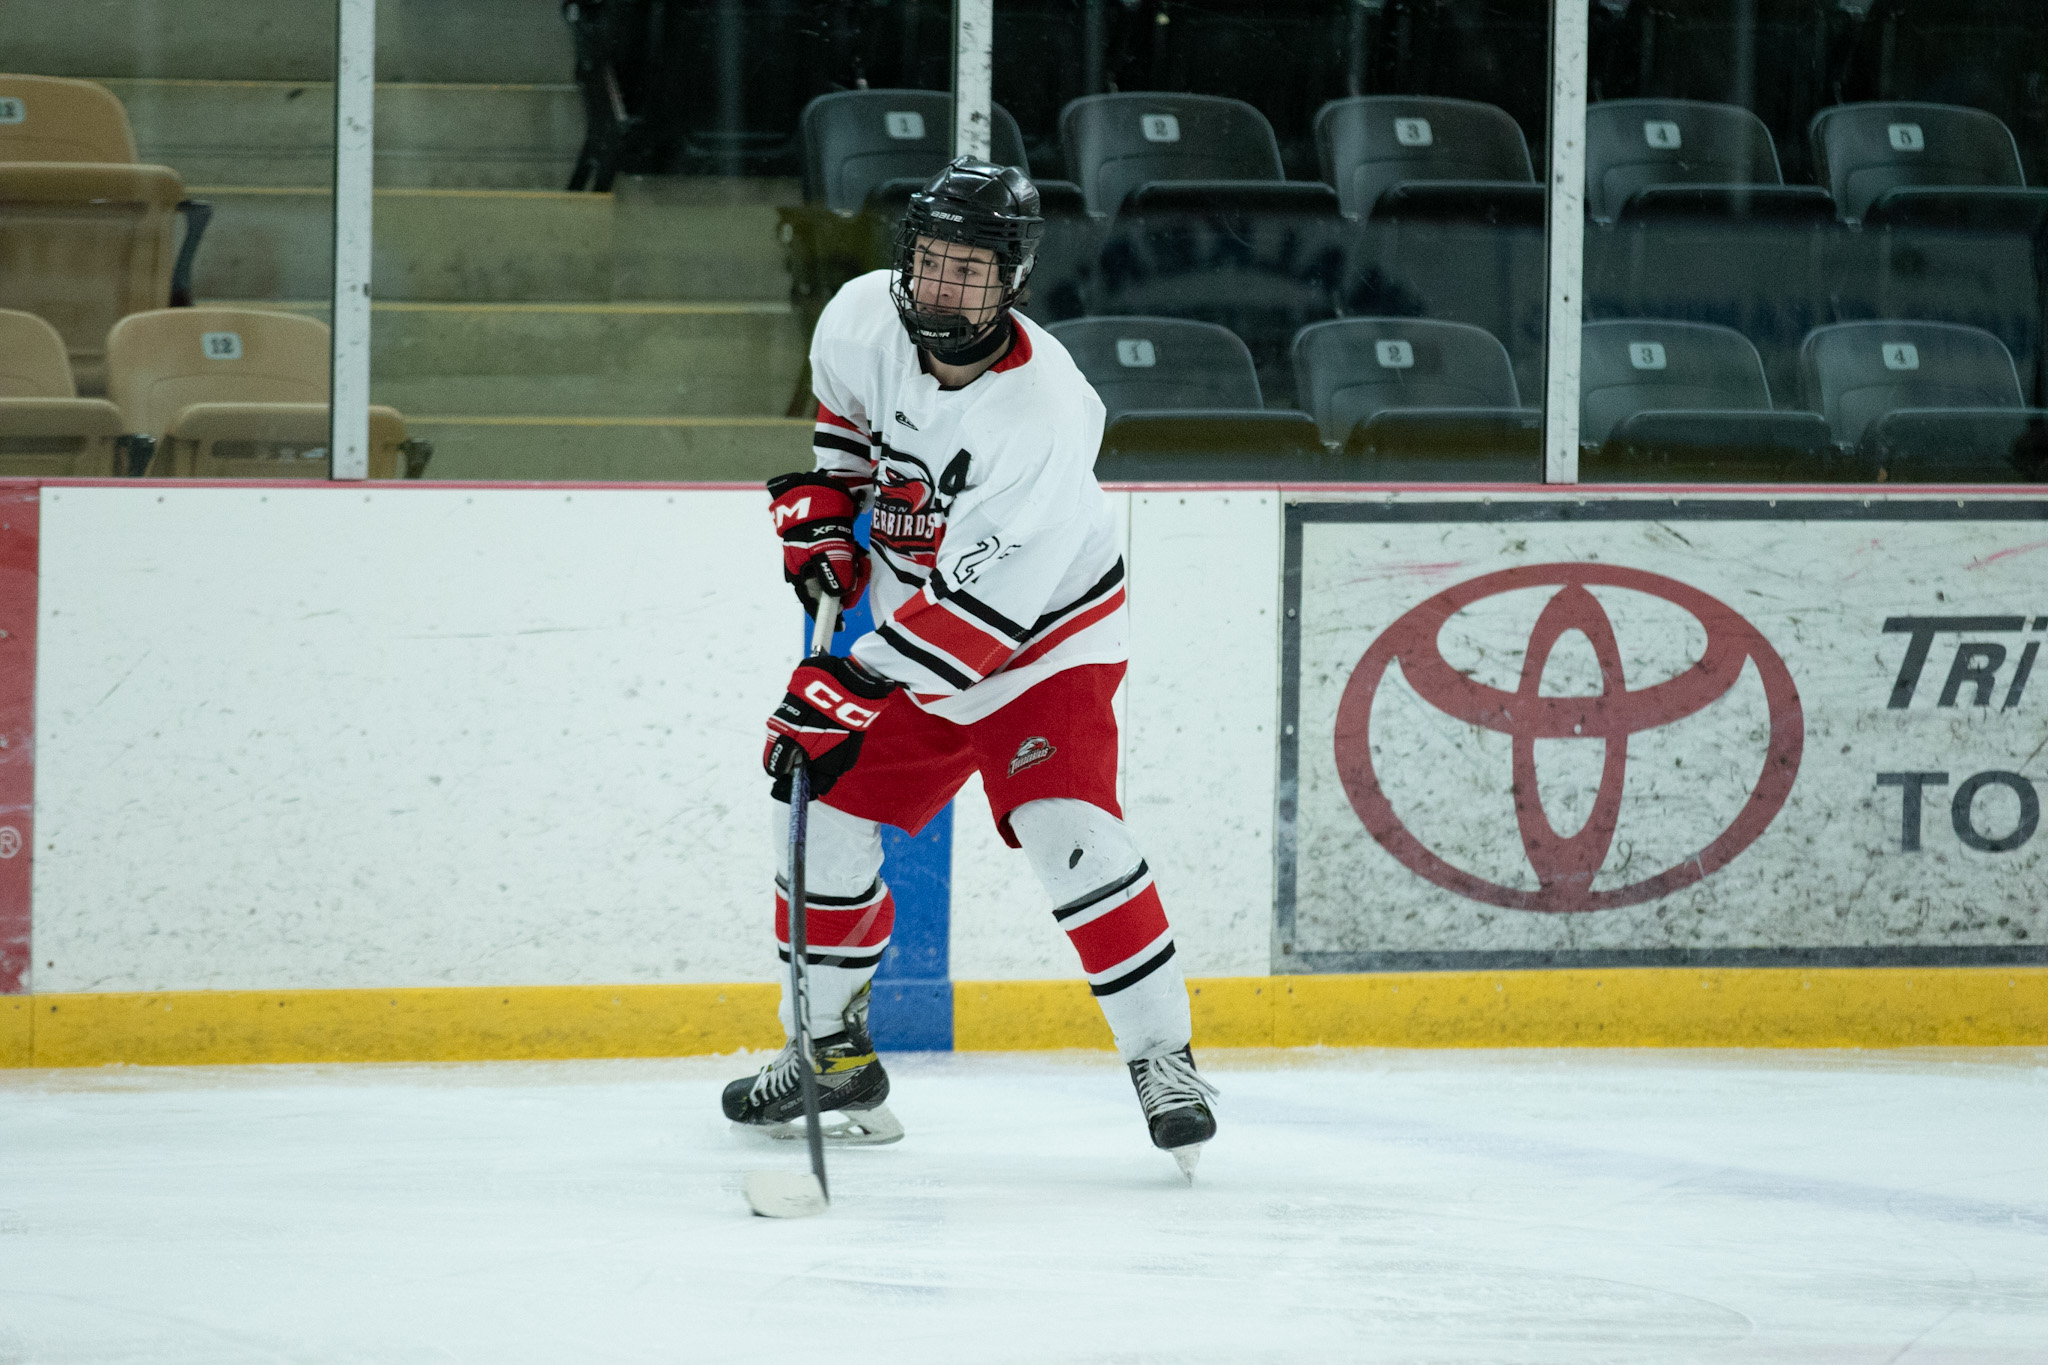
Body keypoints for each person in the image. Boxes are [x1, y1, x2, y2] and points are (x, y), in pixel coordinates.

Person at [721, 156, 1217, 1170]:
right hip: (917, 624)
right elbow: (847, 431)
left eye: (970, 269)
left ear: (1012, 281)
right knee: (816, 800)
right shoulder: (860, 317)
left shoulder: (1044, 414)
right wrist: (829, 516)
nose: (942, 286)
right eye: (932, 261)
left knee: (1067, 829)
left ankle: (1163, 1060)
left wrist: (851, 680)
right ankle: (829, 1055)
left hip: (1044, 646)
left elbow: (984, 617)